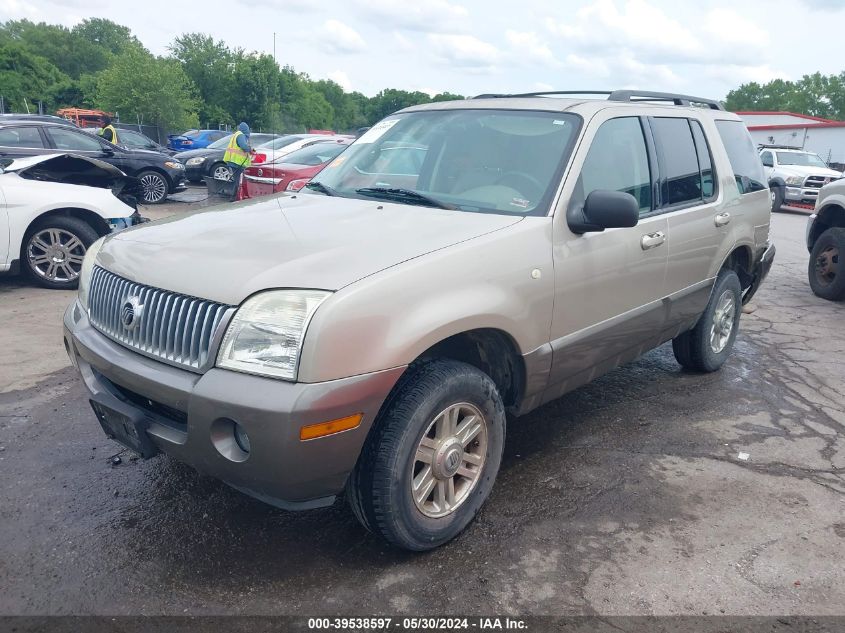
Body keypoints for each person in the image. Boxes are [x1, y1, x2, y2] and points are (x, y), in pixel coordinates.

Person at [223, 122, 253, 200]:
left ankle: (235, 196)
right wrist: (250, 149)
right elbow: (243, 146)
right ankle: (234, 198)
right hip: (237, 162)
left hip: (233, 161)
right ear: (246, 130)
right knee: (238, 181)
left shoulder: (236, 134)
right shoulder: (241, 135)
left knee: (237, 180)